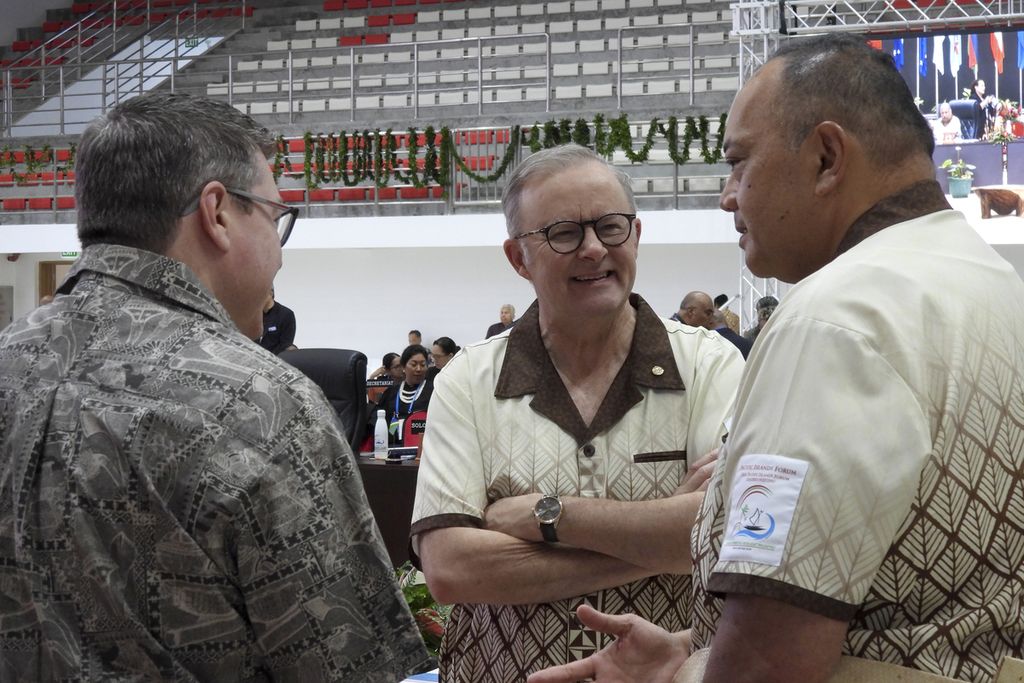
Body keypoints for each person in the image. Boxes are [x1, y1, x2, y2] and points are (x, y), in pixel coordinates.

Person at [529, 34, 1024, 683]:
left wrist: (684, 674)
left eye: (739, 162)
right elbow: (912, 609)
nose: (727, 196)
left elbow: (767, 665)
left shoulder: (835, 319)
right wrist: (693, 650)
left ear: (825, 155)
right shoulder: (996, 284)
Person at [0, 93, 428, 681]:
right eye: (275, 218)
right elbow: (351, 663)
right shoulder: (263, 404)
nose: (278, 253)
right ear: (217, 212)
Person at [410, 144, 745, 682]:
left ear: (636, 236)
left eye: (610, 227)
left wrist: (550, 515)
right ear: (519, 257)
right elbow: (450, 570)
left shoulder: (709, 364)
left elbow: (730, 533)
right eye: (564, 233)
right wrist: (660, 545)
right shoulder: (466, 381)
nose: (593, 249)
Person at [373, 343, 433, 444]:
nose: (418, 369)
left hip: (422, 449)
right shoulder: (391, 392)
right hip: (393, 447)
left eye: (423, 365)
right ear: (404, 367)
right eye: (413, 364)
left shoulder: (433, 391)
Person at [258, 286, 296, 353]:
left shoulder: (286, 314)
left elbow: (286, 344)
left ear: (271, 293)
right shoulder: (255, 314)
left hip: (275, 357)